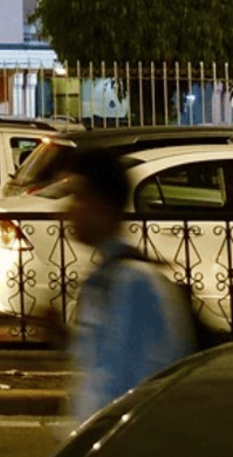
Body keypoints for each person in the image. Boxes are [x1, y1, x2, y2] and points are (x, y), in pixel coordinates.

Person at [65, 148, 195, 428]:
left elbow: (136, 389)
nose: (68, 210)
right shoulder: (103, 280)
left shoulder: (135, 284)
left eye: (78, 196)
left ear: (103, 206)